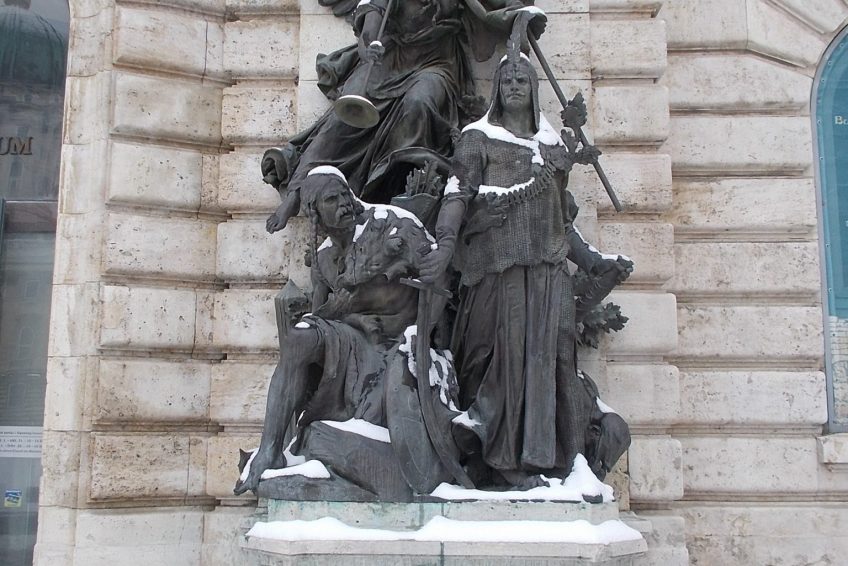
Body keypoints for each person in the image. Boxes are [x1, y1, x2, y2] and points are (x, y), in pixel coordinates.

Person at [419, 49, 630, 488]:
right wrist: (446, 243)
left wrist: (594, 261)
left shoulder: (551, 149)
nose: (514, 86)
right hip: (496, 271)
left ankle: (544, 459)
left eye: (522, 80)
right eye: (507, 80)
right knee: (501, 361)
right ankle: (495, 459)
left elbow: (561, 221)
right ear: (497, 89)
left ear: (534, 90)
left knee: (549, 363)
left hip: (548, 274)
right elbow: (456, 195)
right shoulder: (477, 138)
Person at [261, 0, 546, 234]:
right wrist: (369, 45)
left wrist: (520, 17)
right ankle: (296, 193)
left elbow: (497, 7)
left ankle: (398, 195)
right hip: (388, 59)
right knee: (340, 121)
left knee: (419, 103)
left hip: (437, 63)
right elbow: (370, 25)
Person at [234, 166, 423, 495]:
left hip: (398, 339)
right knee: (298, 339)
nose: (344, 205)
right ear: (314, 212)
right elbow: (320, 314)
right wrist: (344, 314)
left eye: (344, 195)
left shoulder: (390, 224)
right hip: (354, 339)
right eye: (332, 200)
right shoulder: (324, 259)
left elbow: (437, 273)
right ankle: (270, 450)